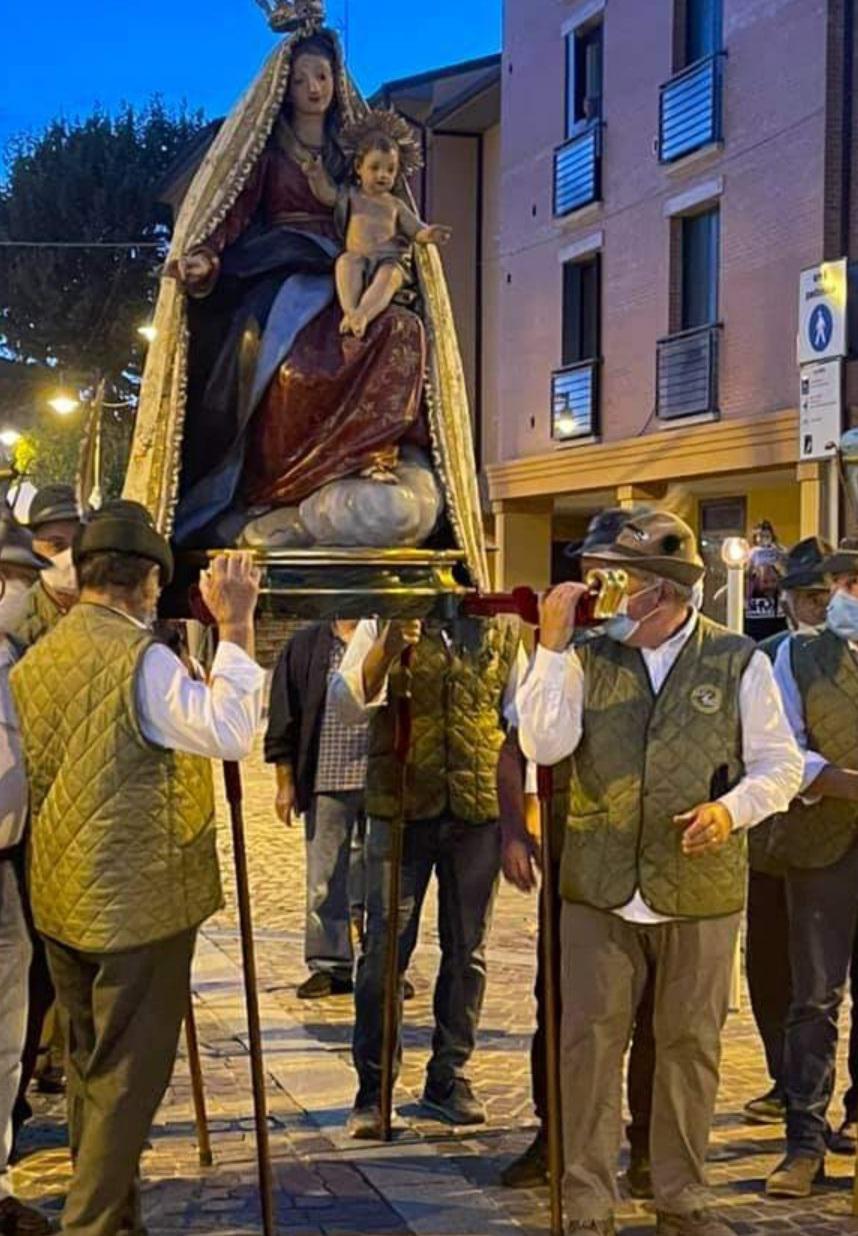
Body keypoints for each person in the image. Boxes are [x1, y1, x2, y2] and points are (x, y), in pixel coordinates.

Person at [517, 509, 802, 1236]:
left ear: (662, 591)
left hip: (699, 895)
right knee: (587, 1046)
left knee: (689, 1049)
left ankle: (680, 1192)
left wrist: (731, 812)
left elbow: (781, 767)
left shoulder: (740, 659)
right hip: (598, 887)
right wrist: (550, 650)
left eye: (612, 578)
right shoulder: (579, 654)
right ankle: (585, 1196)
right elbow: (544, 748)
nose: (596, 592)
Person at [10, 503, 265, 1236]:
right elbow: (227, 732)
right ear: (149, 580)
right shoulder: (140, 658)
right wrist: (238, 629)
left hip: (60, 893)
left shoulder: (44, 653)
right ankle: (90, 1225)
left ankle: (116, 1219)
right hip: (136, 903)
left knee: (93, 1067)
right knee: (128, 1081)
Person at [165, 27, 428, 543]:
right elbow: (230, 215)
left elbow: (389, 215)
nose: (314, 87)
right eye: (303, 78)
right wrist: (204, 260)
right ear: (283, 88)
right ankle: (273, 488)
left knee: (402, 329)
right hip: (282, 271)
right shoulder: (264, 152)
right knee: (294, 368)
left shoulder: (352, 154)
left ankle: (372, 454)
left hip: (353, 266)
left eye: (323, 75)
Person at [499, 509, 657, 1199]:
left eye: (614, 575)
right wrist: (513, 827)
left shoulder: (681, 652)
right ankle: (554, 1132)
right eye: (593, 574)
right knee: (560, 999)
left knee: (655, 1008)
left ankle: (649, 1143)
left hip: (656, 854)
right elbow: (517, 751)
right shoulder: (556, 651)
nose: (602, 590)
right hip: (575, 846)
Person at [330, 614, 523, 1139]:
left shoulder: (500, 630)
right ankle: (374, 1089)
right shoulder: (384, 619)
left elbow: (520, 720)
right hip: (400, 808)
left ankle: (449, 1077)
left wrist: (518, 823)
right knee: (383, 952)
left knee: (468, 951)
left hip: (476, 812)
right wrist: (388, 647)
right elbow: (348, 702)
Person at [767, 544, 858, 1196]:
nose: (841, 599)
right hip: (821, 842)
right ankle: (804, 1141)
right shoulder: (794, 656)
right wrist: (846, 783)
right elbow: (782, 753)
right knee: (815, 996)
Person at [743, 536, 831, 1128]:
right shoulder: (763, 655)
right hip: (774, 840)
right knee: (772, 965)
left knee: (824, 978)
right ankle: (784, 1079)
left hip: (840, 842)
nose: (819, 607)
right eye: (808, 596)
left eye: (827, 595)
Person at [11, 484, 83, 1150]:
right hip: (28, 814)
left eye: (72, 544)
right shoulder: (17, 622)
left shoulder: (99, 614)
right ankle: (24, 1070)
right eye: (52, 546)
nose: (64, 559)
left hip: (83, 809)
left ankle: (59, 1056)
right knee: (32, 954)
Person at [0, 513, 56, 1236]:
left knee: (7, 1037)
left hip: (7, 868)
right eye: (9, 578)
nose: (16, 589)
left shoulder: (13, 659)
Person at [265, 619, 368, 999]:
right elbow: (285, 713)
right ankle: (330, 964)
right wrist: (285, 782)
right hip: (326, 779)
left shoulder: (384, 636)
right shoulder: (306, 645)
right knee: (324, 880)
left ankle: (382, 963)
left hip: (382, 780)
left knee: (379, 880)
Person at [332, 110, 451, 343]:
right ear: (358, 166)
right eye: (375, 167)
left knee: (389, 276)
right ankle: (351, 311)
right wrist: (314, 176)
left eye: (390, 170)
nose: (382, 175)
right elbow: (327, 195)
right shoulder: (351, 196)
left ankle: (364, 313)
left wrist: (429, 234)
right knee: (345, 263)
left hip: (388, 260)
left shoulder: (395, 205)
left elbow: (416, 229)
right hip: (359, 258)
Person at [16, 485, 81, 648]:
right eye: (57, 546)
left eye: (80, 542)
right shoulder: (16, 619)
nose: (71, 556)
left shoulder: (110, 607)